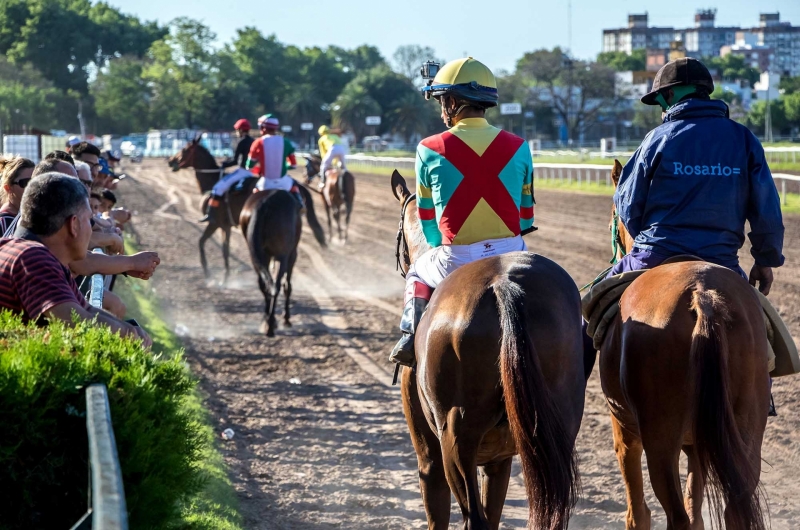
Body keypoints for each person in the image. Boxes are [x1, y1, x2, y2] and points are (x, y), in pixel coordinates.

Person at [587, 57, 785, 412]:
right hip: (721, 260)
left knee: (584, 309)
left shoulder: (656, 139)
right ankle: (760, 395)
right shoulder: (744, 139)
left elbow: (629, 208)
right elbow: (767, 210)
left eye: (661, 99)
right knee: (759, 333)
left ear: (674, 95)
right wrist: (765, 260)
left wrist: (647, 238)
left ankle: (573, 386)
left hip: (654, 254)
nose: (660, 107)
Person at [389, 57, 535, 366]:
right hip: (513, 254)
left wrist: (441, 242)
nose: (442, 110)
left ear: (453, 102)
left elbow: (427, 220)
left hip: (457, 258)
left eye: (442, 101)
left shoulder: (428, 148)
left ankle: (408, 337)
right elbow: (526, 218)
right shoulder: (520, 146)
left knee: (416, 270)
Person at [0, 173, 150, 346]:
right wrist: (131, 335)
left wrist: (129, 329)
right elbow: (75, 321)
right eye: (89, 220)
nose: (92, 229)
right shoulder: (33, 258)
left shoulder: (15, 248)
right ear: (74, 224)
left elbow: (85, 308)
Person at [199, 119, 257, 222]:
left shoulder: (241, 142)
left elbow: (235, 161)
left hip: (243, 171)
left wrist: (225, 164)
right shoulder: (253, 141)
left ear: (241, 130)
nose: (236, 132)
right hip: (253, 172)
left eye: (237, 130)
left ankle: (211, 214)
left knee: (217, 187)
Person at [246, 114, 304, 209]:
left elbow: (249, 165)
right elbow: (293, 165)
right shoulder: (286, 142)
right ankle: (300, 204)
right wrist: (284, 166)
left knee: (253, 199)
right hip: (284, 183)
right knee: (294, 185)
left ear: (263, 128)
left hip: (265, 183)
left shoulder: (257, 142)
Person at [0, 156, 35, 235]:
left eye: (35, 181)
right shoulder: (3, 223)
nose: (33, 187)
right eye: (25, 183)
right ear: (8, 188)